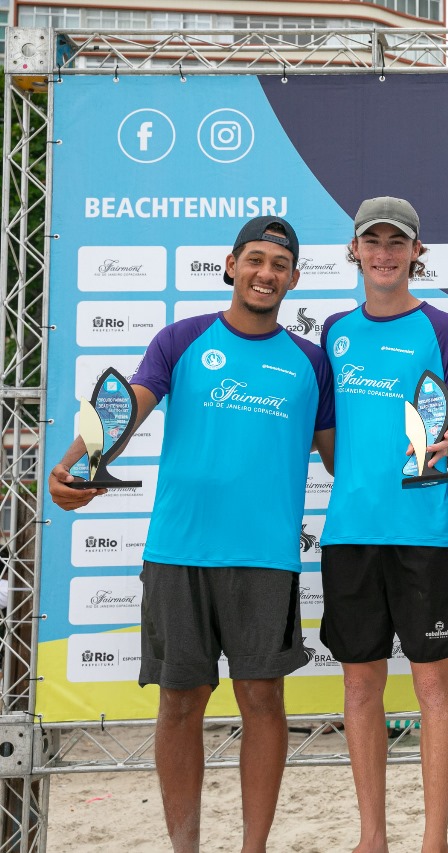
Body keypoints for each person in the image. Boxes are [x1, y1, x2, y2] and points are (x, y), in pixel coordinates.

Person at [48, 216, 334, 853]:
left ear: (294, 278)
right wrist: (71, 466)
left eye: (279, 265)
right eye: (255, 260)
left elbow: (344, 460)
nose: (266, 273)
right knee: (180, 703)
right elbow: (124, 411)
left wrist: (418, 454)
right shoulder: (180, 339)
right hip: (178, 552)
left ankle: (252, 849)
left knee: (262, 701)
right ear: (230, 266)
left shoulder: (311, 361)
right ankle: (186, 849)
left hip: (265, 558)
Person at [319, 197, 448, 853]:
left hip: (428, 533)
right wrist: (362, 477)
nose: (384, 253)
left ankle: (434, 838)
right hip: (351, 533)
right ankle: (372, 837)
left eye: (398, 242)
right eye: (372, 241)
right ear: (354, 250)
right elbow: (329, 437)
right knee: (360, 685)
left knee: (432, 684)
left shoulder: (442, 327)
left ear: (417, 252)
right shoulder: (334, 330)